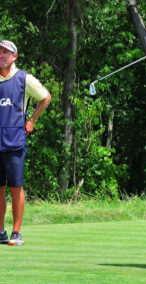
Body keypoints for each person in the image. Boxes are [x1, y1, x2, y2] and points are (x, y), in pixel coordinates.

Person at [0, 40, 52, 245]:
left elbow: (45, 97)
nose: (1, 55)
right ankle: (1, 232)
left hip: (14, 141)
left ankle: (16, 232)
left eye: (6, 52)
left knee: (15, 187)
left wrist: (31, 120)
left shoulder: (24, 78)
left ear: (14, 57)